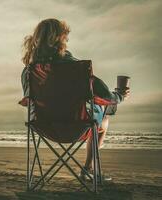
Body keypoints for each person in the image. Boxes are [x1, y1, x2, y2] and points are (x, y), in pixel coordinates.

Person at [20, 18, 130, 181]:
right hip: (78, 126)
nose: (67, 39)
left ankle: (37, 182)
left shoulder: (29, 72)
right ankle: (87, 168)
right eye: (66, 36)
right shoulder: (76, 68)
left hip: (44, 126)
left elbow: (30, 100)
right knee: (104, 118)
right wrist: (120, 95)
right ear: (60, 39)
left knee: (101, 110)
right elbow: (104, 95)